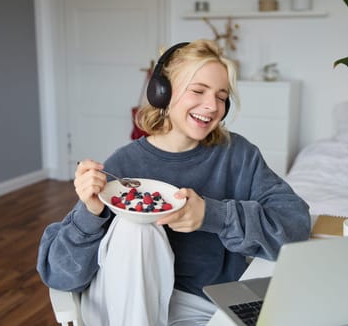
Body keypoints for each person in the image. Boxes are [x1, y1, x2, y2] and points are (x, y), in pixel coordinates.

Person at [37, 39, 310, 325]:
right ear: (161, 93)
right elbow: (58, 274)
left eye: (221, 95)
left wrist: (211, 215)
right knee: (136, 227)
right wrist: (90, 214)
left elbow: (295, 225)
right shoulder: (123, 167)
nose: (212, 106)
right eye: (198, 91)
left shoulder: (238, 156)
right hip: (123, 303)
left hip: (203, 304)